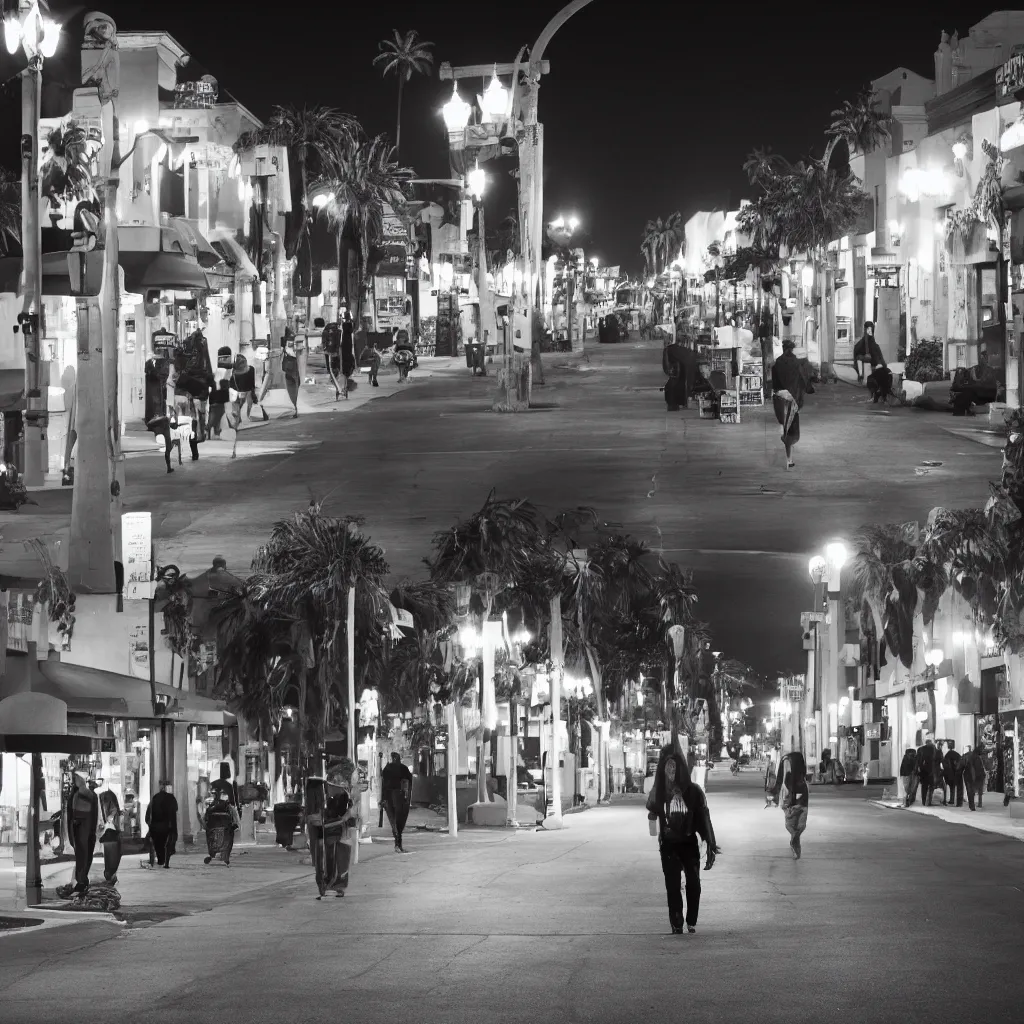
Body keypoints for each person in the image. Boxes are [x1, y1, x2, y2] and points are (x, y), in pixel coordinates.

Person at [645, 745, 718, 934]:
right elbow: (652, 809)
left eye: (674, 768)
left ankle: (691, 919)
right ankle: (676, 922)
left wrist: (710, 843)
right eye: (667, 767)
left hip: (688, 843)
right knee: (672, 885)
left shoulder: (693, 792)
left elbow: (704, 818)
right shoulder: (659, 791)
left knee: (693, 883)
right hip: (668, 844)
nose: (671, 772)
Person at [305, 776, 355, 899]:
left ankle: (331, 886)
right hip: (328, 831)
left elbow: (348, 813)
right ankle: (329, 886)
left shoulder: (341, 795)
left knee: (334, 859)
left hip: (335, 831)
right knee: (327, 859)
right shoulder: (337, 794)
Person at [771, 339, 806, 469]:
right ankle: (788, 453)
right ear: (792, 349)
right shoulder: (797, 364)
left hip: (780, 398)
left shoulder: (777, 364)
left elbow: (774, 385)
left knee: (786, 428)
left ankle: (789, 459)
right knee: (794, 434)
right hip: (793, 400)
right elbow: (803, 383)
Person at [769, 751, 809, 859]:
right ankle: (795, 842)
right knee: (790, 825)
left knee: (801, 825)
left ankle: (794, 841)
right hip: (789, 798)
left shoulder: (800, 780)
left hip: (800, 797)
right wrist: (775, 797)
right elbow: (779, 781)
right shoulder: (785, 764)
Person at [63, 772, 98, 894]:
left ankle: (81, 881)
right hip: (85, 830)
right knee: (85, 855)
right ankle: (81, 880)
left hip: (82, 830)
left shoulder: (82, 794)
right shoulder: (86, 794)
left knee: (82, 855)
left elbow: (78, 814)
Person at [381, 752, 413, 853]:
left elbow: (383, 783)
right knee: (399, 821)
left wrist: (382, 799)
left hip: (390, 797)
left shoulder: (388, 768)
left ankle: (397, 843)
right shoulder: (403, 768)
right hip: (398, 797)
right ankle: (398, 843)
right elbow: (409, 782)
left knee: (394, 821)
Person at [146, 779, 179, 868]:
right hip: (167, 825)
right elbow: (175, 809)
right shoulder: (171, 798)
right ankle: (165, 861)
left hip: (156, 826)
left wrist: (149, 824)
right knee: (167, 845)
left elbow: (149, 811)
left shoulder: (155, 797)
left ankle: (161, 860)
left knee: (159, 844)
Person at [203, 789, 239, 866]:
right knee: (228, 840)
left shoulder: (210, 805)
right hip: (225, 826)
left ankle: (212, 855)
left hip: (213, 826)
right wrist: (235, 824)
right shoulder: (228, 806)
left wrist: (205, 825)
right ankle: (225, 857)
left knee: (212, 840)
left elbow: (205, 817)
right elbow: (234, 816)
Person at [98, 789, 123, 885]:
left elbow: (112, 812)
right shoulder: (106, 796)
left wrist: (107, 821)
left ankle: (110, 874)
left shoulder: (105, 797)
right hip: (111, 834)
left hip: (110, 833)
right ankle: (110, 874)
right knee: (111, 856)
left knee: (110, 856)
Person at [962, 743, 987, 811]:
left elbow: (963, 765)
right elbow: (977, 768)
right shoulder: (977, 758)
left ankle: (972, 805)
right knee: (975, 790)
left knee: (970, 791)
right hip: (973, 776)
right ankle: (975, 804)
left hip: (967, 775)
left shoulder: (968, 755)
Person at [916, 739, 938, 806]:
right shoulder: (934, 750)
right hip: (931, 771)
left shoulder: (921, 749)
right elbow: (937, 760)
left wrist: (919, 768)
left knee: (924, 786)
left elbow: (918, 760)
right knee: (931, 786)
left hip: (924, 771)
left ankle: (924, 801)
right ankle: (928, 801)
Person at [942, 741, 963, 807]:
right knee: (959, 788)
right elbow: (961, 762)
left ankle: (952, 800)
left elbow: (945, 764)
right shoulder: (957, 754)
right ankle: (959, 803)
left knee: (952, 787)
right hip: (957, 772)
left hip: (950, 773)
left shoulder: (947, 755)